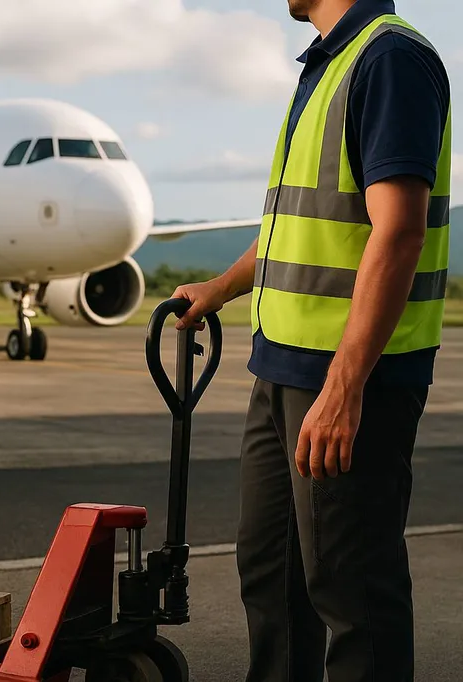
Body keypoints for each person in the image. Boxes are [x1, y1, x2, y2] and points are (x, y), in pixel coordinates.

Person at [171, 1, 450, 681]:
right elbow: (296, 222)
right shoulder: (326, 66)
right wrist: (221, 287)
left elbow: (398, 231)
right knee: (271, 574)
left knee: (352, 591)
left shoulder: (388, 58)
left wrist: (345, 388)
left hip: (349, 379)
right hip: (281, 368)